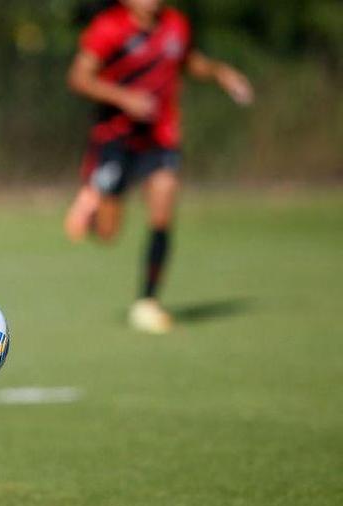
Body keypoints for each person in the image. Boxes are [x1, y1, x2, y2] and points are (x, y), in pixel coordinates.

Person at [62, 0, 253, 333]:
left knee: (164, 205)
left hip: (159, 136)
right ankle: (91, 199)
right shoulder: (109, 27)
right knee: (107, 234)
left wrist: (221, 73)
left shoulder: (176, 24)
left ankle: (147, 302)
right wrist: (124, 99)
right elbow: (79, 78)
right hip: (115, 138)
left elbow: (189, 61)